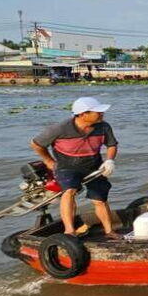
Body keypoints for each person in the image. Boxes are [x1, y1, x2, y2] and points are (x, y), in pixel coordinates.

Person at [30, 97, 120, 239]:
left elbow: (112, 145)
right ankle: (69, 231)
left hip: (94, 165)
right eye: (98, 112)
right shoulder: (59, 128)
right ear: (83, 114)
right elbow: (36, 144)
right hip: (67, 166)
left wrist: (109, 161)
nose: (102, 114)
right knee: (70, 191)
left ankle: (110, 231)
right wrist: (48, 161)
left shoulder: (104, 127)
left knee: (100, 199)